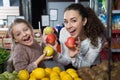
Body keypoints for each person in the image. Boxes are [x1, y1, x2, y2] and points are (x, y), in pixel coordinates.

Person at [51, 3, 106, 69]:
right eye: (66, 22)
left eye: (73, 21)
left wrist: (74, 57)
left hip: (91, 69)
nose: (68, 26)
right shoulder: (64, 32)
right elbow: (66, 61)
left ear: (84, 21)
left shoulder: (96, 39)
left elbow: (87, 65)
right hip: (72, 68)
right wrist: (54, 54)